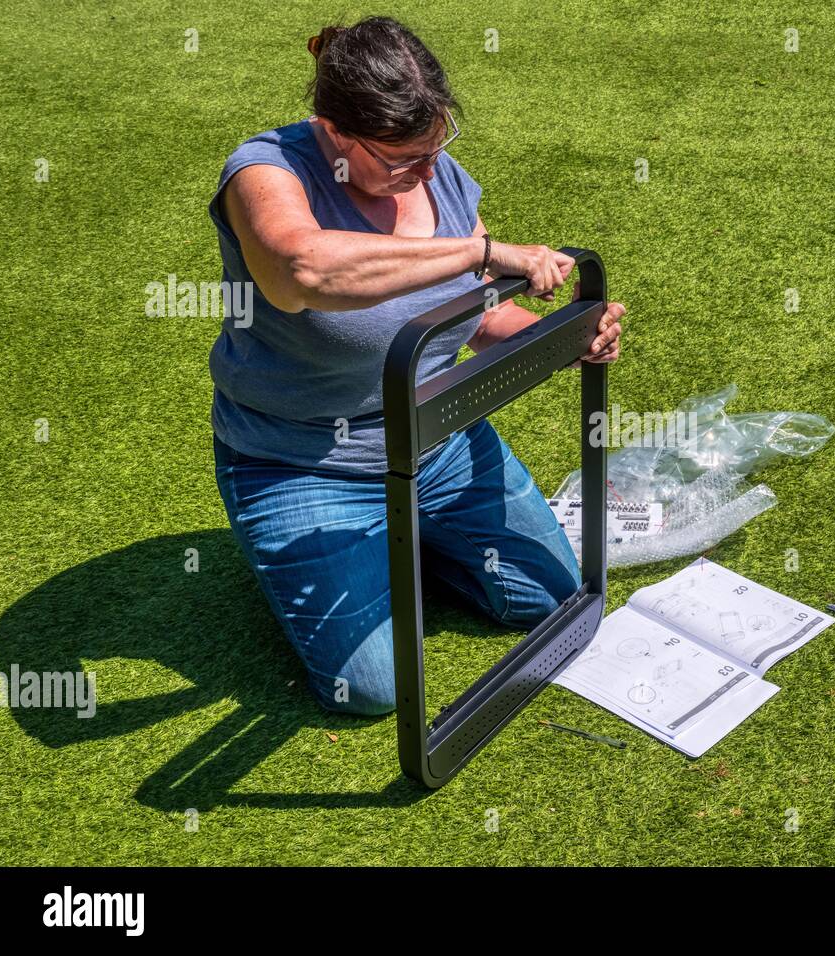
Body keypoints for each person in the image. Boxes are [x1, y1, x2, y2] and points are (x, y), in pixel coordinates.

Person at [207, 16, 624, 715]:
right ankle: (311, 547)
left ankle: (407, 541)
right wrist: (477, 254)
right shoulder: (265, 171)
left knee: (552, 597)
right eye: (402, 159)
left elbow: (481, 316)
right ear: (336, 131)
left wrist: (564, 339)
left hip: (436, 437)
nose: (425, 172)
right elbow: (300, 270)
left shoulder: (441, 176)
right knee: (372, 689)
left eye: (436, 147)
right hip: (304, 461)